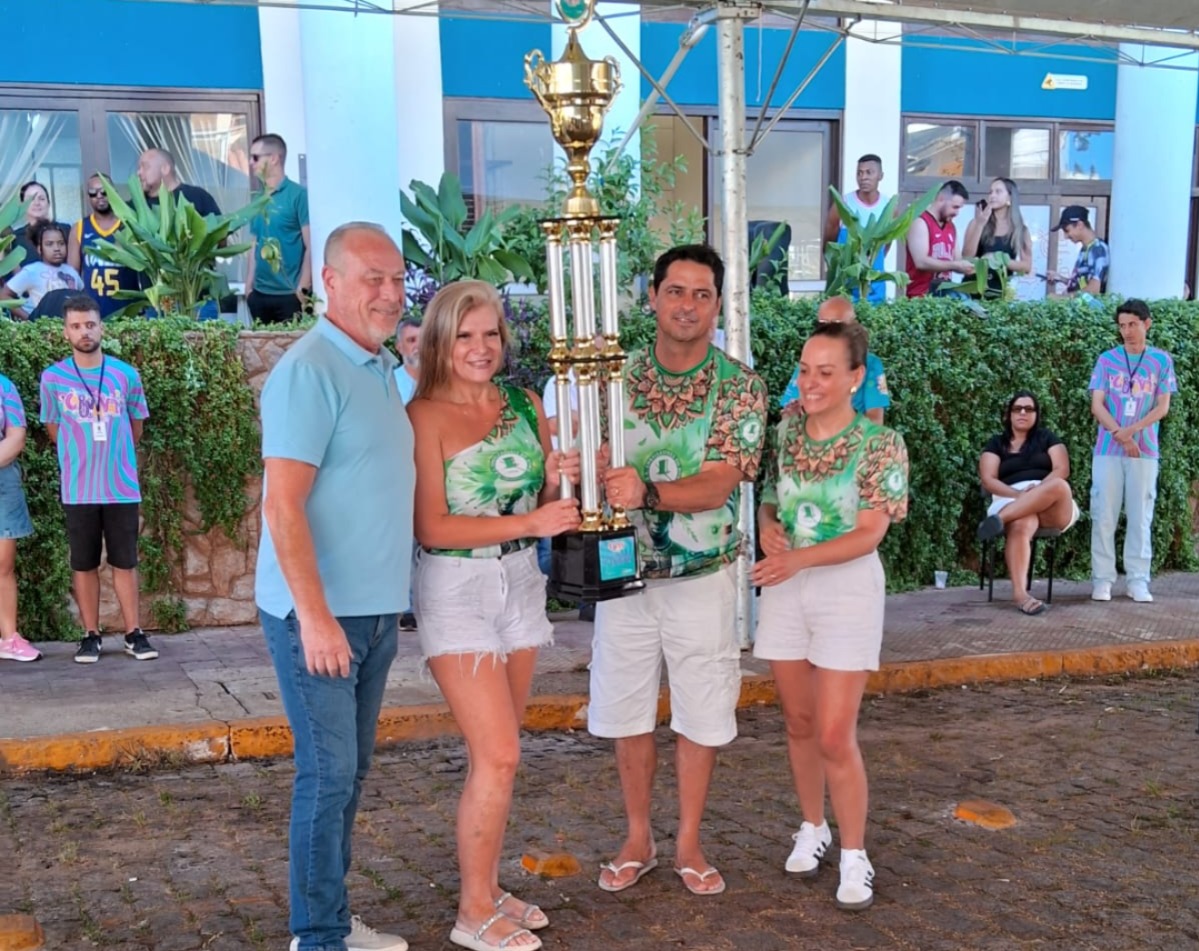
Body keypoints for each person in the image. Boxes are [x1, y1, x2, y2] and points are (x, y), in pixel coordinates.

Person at [408, 279, 581, 951]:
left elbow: (540, 490)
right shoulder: (422, 414)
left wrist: (557, 473)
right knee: (498, 750)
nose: (480, 348)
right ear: (440, 342)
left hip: (520, 579)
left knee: (504, 755)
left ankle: (488, 886)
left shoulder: (523, 402)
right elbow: (430, 524)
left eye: (490, 334)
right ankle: (470, 910)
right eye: (465, 335)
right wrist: (532, 516)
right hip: (457, 586)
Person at [591, 244, 768, 898]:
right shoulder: (614, 379)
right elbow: (592, 462)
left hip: (703, 571)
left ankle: (688, 840)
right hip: (624, 572)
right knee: (626, 706)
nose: (687, 305)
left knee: (701, 710)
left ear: (717, 305)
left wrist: (648, 492)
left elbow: (722, 482)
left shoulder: (740, 386)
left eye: (701, 294)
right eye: (675, 291)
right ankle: (638, 837)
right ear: (653, 297)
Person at [256, 222, 412, 951]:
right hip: (320, 617)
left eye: (396, 278)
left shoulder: (379, 367)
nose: (389, 292)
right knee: (327, 776)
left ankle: (335, 925)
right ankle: (316, 938)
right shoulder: (310, 367)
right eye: (372, 278)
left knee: (348, 775)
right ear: (331, 282)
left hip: (373, 611)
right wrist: (314, 617)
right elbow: (281, 502)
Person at [752, 320, 909, 912]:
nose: (810, 382)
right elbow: (771, 494)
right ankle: (812, 828)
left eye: (825, 372)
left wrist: (795, 559)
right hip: (788, 583)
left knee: (835, 733)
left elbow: (869, 533)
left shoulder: (881, 444)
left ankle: (855, 854)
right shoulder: (788, 431)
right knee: (797, 720)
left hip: (845, 588)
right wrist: (767, 524)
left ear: (855, 378)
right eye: (804, 369)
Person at [39, 294, 154, 664]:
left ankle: (134, 633)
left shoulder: (126, 374)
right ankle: (90, 635)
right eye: (76, 326)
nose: (84, 332)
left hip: (121, 486)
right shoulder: (53, 378)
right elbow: (53, 427)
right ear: (65, 332)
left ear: (101, 326)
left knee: (126, 561)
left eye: (90, 324)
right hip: (78, 488)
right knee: (83, 563)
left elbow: (136, 426)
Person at [1087, 299, 1176, 603]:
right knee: (1103, 515)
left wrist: (1132, 432)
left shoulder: (1161, 361)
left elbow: (1162, 407)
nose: (1126, 331)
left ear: (1147, 324)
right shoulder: (1106, 359)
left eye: (1132, 324)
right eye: (1122, 325)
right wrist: (1120, 435)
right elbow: (1097, 404)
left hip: (1145, 450)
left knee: (1140, 516)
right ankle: (1102, 579)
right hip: (1108, 449)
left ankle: (1138, 580)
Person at [975, 391, 1080, 616]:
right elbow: (988, 479)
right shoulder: (997, 443)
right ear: (1009, 414)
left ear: (1036, 414)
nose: (1023, 412)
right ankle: (1020, 594)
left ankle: (998, 521)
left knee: (1060, 485)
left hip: (1050, 502)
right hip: (1010, 499)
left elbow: (1062, 469)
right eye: (1017, 408)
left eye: (1029, 408)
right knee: (1022, 524)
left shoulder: (1047, 438)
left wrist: (1039, 489)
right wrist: (1017, 494)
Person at [778, 296, 890, 425]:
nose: (828, 332)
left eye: (836, 326)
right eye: (822, 325)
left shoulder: (870, 364)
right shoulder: (808, 361)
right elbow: (790, 413)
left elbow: (875, 420)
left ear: (853, 325)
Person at [246, 133, 312, 324]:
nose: (251, 162)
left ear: (274, 158)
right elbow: (254, 244)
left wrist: (302, 289)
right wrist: (249, 288)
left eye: (256, 157)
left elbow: (310, 245)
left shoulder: (298, 195)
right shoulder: (257, 198)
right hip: (259, 295)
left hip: (289, 296)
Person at [0, 372, 40, 662]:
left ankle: (9, 639)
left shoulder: (5, 386)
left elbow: (16, 436)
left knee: (2, 564)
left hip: (3, 483)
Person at [68, 174, 140, 319]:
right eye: (93, 193)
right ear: (88, 197)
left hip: (128, 311)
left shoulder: (130, 225)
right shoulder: (80, 228)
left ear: (114, 193)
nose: (99, 196)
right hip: (92, 313)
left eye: (104, 191)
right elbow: (72, 275)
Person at [824, 154, 891, 303]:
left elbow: (887, 243)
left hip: (875, 285)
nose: (863, 177)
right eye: (859, 173)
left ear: (880, 175)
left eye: (869, 172)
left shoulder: (889, 207)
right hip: (846, 284)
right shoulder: (843, 204)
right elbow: (829, 241)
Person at [962, 178, 1034, 297]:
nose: (992, 196)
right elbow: (966, 256)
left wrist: (999, 259)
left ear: (1010, 197)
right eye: (990, 192)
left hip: (1000, 293)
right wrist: (980, 224)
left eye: (998, 191)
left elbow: (1026, 266)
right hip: (972, 290)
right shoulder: (976, 222)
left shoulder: (1021, 230)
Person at [904, 180, 974, 298]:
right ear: (941, 198)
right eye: (955, 207)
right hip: (921, 296)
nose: (957, 213)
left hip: (944, 295)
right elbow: (921, 261)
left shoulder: (951, 227)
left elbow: (957, 260)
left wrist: (971, 267)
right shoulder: (920, 222)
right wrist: (956, 265)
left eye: (959, 208)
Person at [2, 221, 84, 320]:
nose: (57, 248)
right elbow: (3, 295)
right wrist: (29, 318)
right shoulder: (32, 271)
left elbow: (83, 297)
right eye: (49, 244)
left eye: (61, 243)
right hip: (43, 329)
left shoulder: (71, 271)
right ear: (40, 249)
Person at [136, 148, 222, 217]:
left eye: (145, 167)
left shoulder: (198, 197)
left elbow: (220, 233)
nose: (139, 172)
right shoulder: (134, 205)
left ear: (165, 169)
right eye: (139, 168)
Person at [7, 181, 70, 273]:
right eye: (31, 199)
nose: (37, 203)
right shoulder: (15, 239)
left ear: (48, 203)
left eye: (41, 199)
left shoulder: (66, 230)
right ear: (22, 205)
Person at [1049, 205, 1109, 297]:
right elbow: (1083, 284)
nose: (1065, 236)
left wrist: (1064, 298)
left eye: (1067, 230)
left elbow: (1094, 289)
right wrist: (1060, 278)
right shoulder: (1085, 249)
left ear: (1080, 225)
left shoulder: (1097, 249)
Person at [393, 317, 421, 406]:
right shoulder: (390, 384)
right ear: (399, 347)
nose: (419, 345)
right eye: (411, 340)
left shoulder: (444, 381)